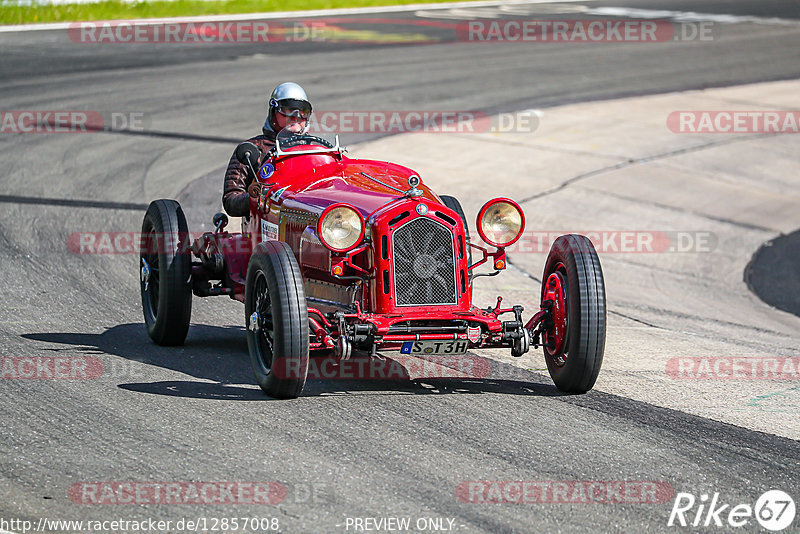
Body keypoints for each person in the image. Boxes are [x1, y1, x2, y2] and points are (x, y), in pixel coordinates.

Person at [222, 82, 313, 217]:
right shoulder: (252, 149)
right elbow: (230, 200)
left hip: (312, 224)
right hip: (265, 227)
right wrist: (254, 197)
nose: (296, 117)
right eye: (289, 110)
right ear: (274, 111)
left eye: (303, 111)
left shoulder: (316, 149)